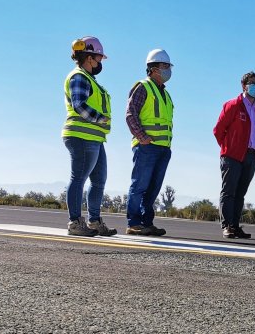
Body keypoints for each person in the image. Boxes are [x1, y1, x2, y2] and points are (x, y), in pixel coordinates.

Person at [62, 36, 117, 237]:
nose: (101, 62)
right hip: (81, 135)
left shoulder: (90, 80)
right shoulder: (79, 77)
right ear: (90, 57)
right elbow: (79, 104)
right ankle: (75, 222)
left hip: (94, 138)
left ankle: (94, 222)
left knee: (99, 180)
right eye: (99, 58)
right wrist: (99, 118)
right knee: (79, 178)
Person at [125, 49, 174, 236]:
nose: (168, 70)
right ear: (153, 68)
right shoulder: (143, 87)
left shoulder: (166, 95)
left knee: (153, 188)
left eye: (169, 66)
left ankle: (147, 222)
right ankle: (134, 223)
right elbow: (130, 114)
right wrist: (141, 137)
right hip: (147, 147)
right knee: (139, 185)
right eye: (165, 66)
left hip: (163, 148)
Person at [213, 71, 255, 239]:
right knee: (229, 191)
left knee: (240, 193)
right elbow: (218, 130)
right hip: (232, 155)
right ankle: (227, 226)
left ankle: (235, 226)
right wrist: (228, 148)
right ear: (244, 86)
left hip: (251, 155)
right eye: (252, 83)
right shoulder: (232, 105)